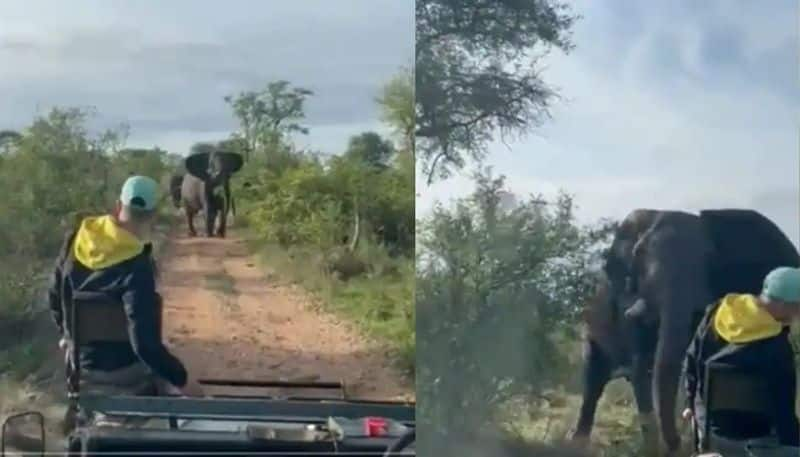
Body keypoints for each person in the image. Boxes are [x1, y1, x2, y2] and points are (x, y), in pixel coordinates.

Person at [48, 175, 202, 401]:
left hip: (81, 367)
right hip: (128, 372)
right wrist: (184, 380)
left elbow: (53, 293)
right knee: (167, 379)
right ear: (152, 216)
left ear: (118, 206)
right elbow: (145, 346)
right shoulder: (137, 265)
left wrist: (65, 334)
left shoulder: (77, 238)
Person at [682, 266, 800, 448]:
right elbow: (783, 410)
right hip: (758, 442)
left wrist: (690, 403)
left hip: (708, 432)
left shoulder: (716, 314)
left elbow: (691, 361)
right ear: (783, 305)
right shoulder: (776, 346)